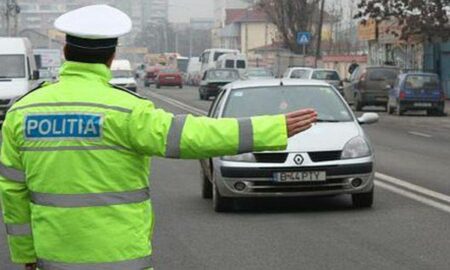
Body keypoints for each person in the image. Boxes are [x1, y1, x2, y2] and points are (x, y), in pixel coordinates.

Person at [0, 5, 317, 270]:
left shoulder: (21, 113)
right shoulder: (127, 111)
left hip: (53, 261)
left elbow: (12, 194)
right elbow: (194, 135)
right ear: (111, 58)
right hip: (122, 261)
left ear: (65, 52)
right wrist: (270, 128)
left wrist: (26, 255)